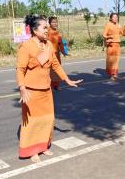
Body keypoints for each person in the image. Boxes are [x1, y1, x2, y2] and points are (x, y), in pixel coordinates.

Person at [17, 15, 82, 163]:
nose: (47, 30)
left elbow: (56, 66)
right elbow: (20, 69)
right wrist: (22, 87)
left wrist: (67, 80)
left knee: (47, 119)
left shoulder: (48, 45)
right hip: (31, 91)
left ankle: (43, 146)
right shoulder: (26, 46)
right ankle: (32, 150)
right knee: (32, 121)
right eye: (44, 27)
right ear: (34, 30)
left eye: (47, 27)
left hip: (46, 89)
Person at [103, 13, 125, 81]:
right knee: (111, 60)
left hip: (117, 44)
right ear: (111, 18)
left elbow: (123, 34)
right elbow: (104, 35)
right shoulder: (108, 24)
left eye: (116, 17)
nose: (115, 18)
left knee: (116, 60)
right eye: (114, 17)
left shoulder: (118, 25)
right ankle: (111, 75)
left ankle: (115, 74)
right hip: (110, 45)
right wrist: (108, 39)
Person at [48, 16, 67, 90]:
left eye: (56, 22)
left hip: (56, 54)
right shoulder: (47, 32)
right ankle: (49, 86)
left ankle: (56, 85)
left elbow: (60, 43)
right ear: (49, 23)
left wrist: (63, 52)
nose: (55, 23)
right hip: (49, 54)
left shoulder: (57, 32)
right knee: (49, 70)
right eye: (53, 22)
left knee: (57, 69)